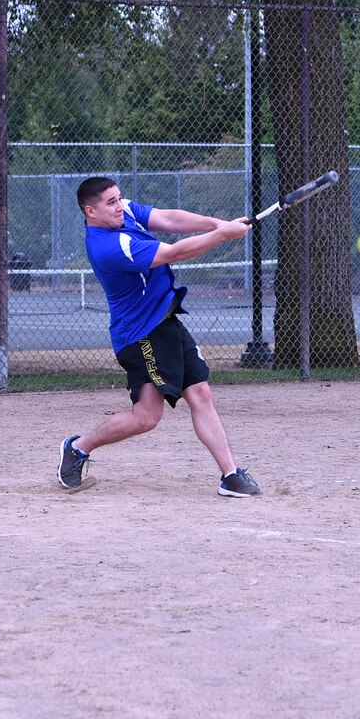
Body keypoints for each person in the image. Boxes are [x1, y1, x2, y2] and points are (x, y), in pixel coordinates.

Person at [58, 176, 261, 497]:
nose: (119, 206)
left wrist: (216, 223)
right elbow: (173, 253)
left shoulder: (122, 212)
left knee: (200, 394)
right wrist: (222, 235)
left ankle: (231, 475)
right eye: (110, 203)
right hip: (140, 334)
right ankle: (79, 447)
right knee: (147, 418)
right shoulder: (109, 246)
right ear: (90, 212)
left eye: (118, 198)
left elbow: (168, 218)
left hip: (165, 321)